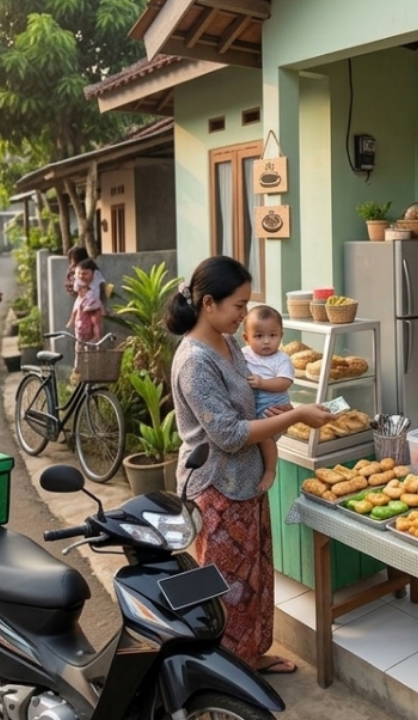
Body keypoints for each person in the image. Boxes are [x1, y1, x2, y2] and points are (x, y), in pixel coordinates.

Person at [166, 256, 335, 675]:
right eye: (239, 306)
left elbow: (248, 410)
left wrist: (276, 410)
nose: (244, 315)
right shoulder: (194, 360)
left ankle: (252, 655)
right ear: (209, 303)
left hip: (246, 479)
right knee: (222, 585)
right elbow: (227, 434)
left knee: (255, 575)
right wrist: (294, 417)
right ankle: (225, 671)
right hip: (215, 487)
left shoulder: (228, 345)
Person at [242, 305, 296, 492]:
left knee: (264, 438)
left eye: (272, 336)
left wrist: (262, 383)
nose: (266, 342)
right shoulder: (243, 354)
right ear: (246, 338)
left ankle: (270, 470)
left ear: (281, 336)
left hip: (272, 407)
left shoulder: (281, 359)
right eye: (258, 336)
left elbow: (284, 382)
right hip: (254, 407)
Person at [68, 259, 105, 343]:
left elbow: (96, 295)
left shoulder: (96, 280)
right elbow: (76, 289)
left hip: (94, 305)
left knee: (96, 322)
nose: (82, 276)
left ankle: (96, 339)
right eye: (80, 273)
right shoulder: (79, 282)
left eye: (85, 273)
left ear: (93, 273)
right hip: (82, 305)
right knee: (79, 321)